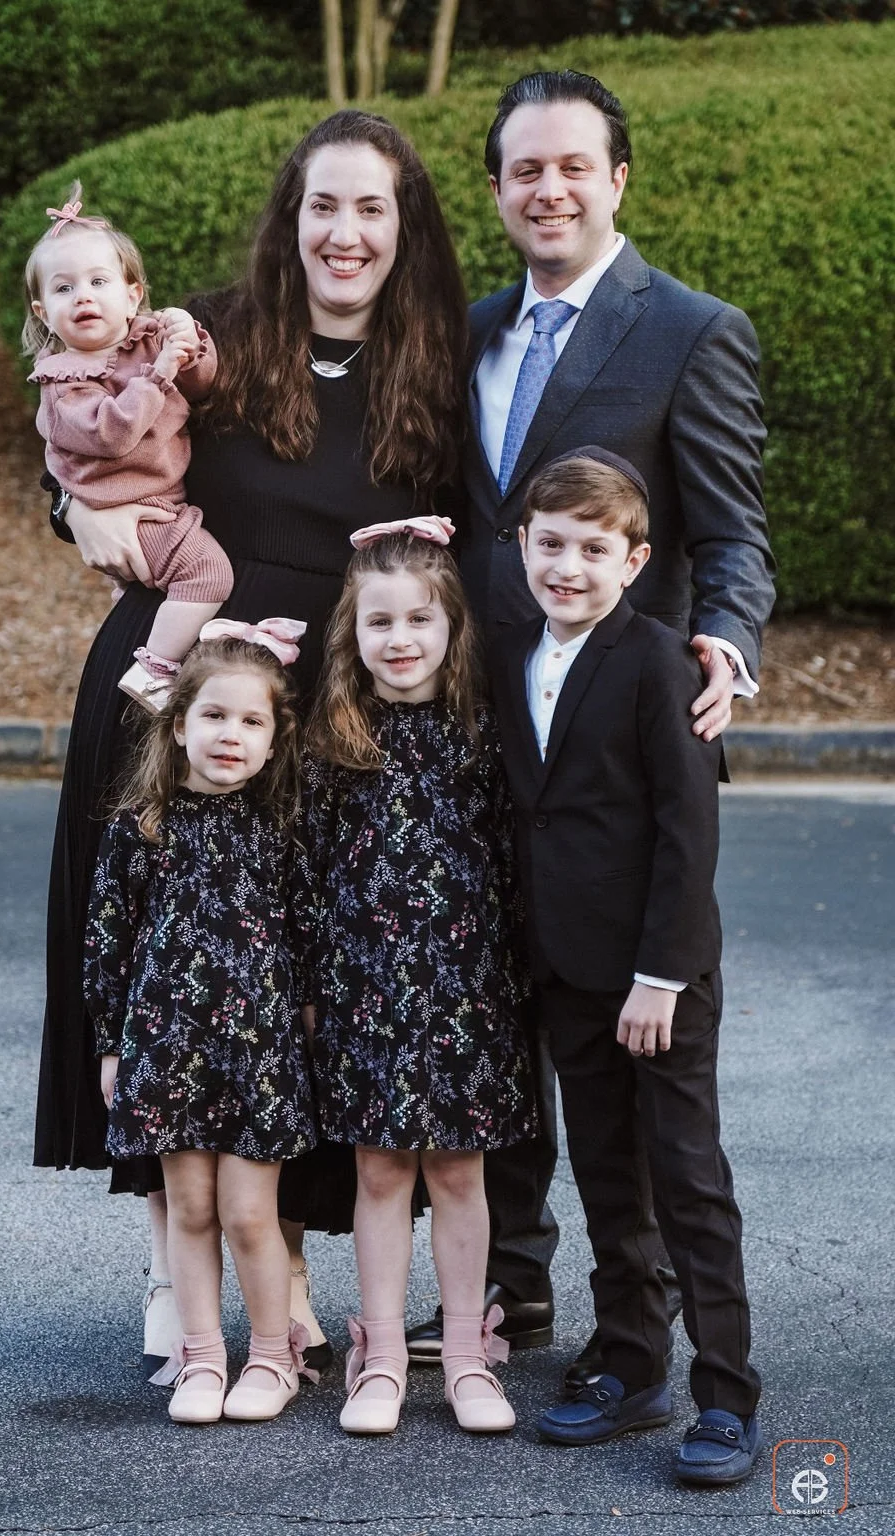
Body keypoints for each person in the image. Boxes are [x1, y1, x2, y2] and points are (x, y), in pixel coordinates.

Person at [34, 110, 468, 1373]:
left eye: (372, 207)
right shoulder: (209, 334)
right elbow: (82, 420)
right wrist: (68, 507)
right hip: (181, 688)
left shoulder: (439, 362)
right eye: (322, 204)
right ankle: (170, 1274)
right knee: (165, 974)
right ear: (291, 216)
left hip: (333, 701)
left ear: (405, 226)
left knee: (292, 985)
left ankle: (281, 1269)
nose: (344, 231)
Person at [407, 67, 775, 1374]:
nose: (549, 189)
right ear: (497, 189)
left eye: (574, 166)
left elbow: (730, 531)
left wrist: (724, 642)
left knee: (632, 1067)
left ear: (617, 179)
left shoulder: (690, 330)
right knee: (503, 1014)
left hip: (619, 745)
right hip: (479, 736)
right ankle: (513, 1286)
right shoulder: (465, 333)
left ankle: (647, 1319)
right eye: (526, 170)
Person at [495, 448, 762, 1485]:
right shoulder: (509, 652)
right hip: (567, 968)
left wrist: (661, 975)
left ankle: (726, 1395)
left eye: (592, 551)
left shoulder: (660, 665)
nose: (568, 567)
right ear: (522, 544)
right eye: (550, 544)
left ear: (635, 561)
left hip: (659, 976)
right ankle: (632, 1360)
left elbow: (687, 834)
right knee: (606, 1172)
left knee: (686, 1180)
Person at [293, 519, 536, 1435]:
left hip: (470, 989)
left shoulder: (486, 732)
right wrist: (310, 991)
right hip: (364, 990)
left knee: (461, 1172)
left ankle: (469, 1355)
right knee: (382, 1169)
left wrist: (521, 983)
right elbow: (306, 874)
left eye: (419, 619)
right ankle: (384, 1354)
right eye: (379, 621)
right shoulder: (333, 741)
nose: (400, 639)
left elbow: (513, 865)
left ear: (452, 626)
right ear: (351, 633)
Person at [84, 623, 319, 1425]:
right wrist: (111, 1046)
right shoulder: (140, 827)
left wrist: (309, 1037)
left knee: (250, 1215)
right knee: (189, 1210)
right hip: (167, 1049)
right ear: (179, 723)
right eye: (214, 716)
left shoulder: (282, 829)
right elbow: (107, 943)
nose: (231, 735)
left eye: (252, 721)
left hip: (258, 1056)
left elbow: (307, 940)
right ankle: (202, 1358)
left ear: (274, 738)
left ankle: (272, 1357)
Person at [24, 183, 233, 713]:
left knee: (154, 592)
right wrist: (158, 375)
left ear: (133, 293)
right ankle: (156, 670)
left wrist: (188, 342)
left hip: (160, 501)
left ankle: (145, 635)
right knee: (209, 574)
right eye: (64, 289)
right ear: (43, 312)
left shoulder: (146, 340)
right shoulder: (63, 384)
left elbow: (203, 386)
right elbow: (112, 435)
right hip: (128, 509)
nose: (84, 296)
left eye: (98, 281)